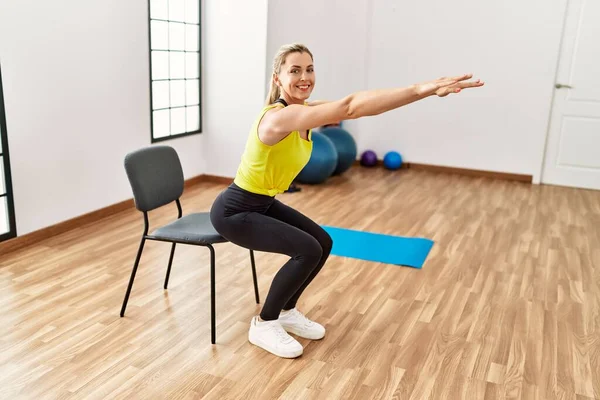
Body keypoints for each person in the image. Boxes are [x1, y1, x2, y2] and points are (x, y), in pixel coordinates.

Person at [209, 43, 484, 358]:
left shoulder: (305, 112)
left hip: (261, 203)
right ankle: (265, 322)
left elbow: (360, 104)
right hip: (235, 210)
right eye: (294, 70)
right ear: (277, 79)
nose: (304, 76)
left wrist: (421, 91)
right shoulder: (278, 118)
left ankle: (286, 311)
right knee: (306, 249)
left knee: (322, 242)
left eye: (309, 69)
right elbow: (351, 107)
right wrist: (422, 88)